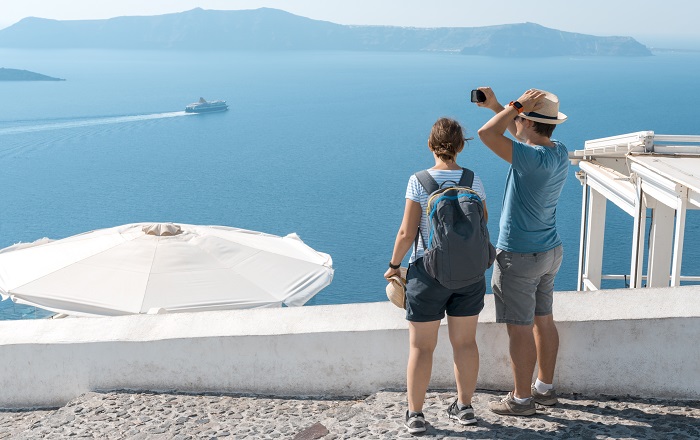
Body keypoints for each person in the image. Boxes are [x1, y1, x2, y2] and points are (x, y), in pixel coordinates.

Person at [384, 117, 488, 434]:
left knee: (421, 348)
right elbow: (482, 227)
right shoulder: (473, 180)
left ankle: (416, 415)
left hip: (427, 275)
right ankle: (465, 408)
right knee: (465, 343)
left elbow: (406, 231)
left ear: (431, 145)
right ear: (460, 146)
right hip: (470, 276)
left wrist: (393, 264)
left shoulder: (419, 181)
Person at [475, 88, 568, 416]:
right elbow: (516, 131)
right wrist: (499, 107)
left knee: (519, 327)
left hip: (520, 257)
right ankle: (544, 389)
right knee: (544, 320)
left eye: (522, 116)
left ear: (528, 121)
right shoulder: (559, 152)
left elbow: (488, 134)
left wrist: (514, 105)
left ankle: (521, 400)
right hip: (549, 252)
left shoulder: (529, 159)